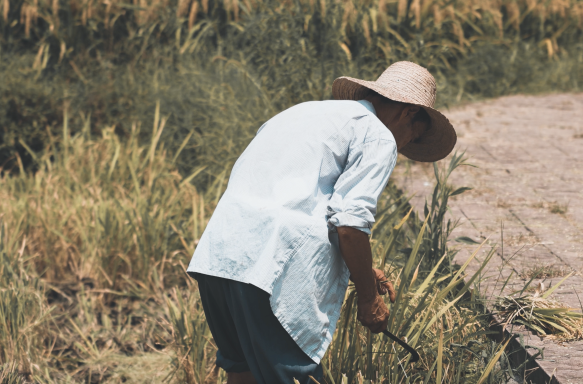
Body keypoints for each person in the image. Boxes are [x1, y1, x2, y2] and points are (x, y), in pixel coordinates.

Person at [187, 61, 457, 384]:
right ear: (409, 113)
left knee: (243, 372)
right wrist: (369, 298)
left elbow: (296, 199)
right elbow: (350, 226)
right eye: (415, 135)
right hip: (270, 276)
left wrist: (363, 273)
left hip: (219, 259)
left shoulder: (302, 114)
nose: (406, 145)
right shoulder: (379, 135)